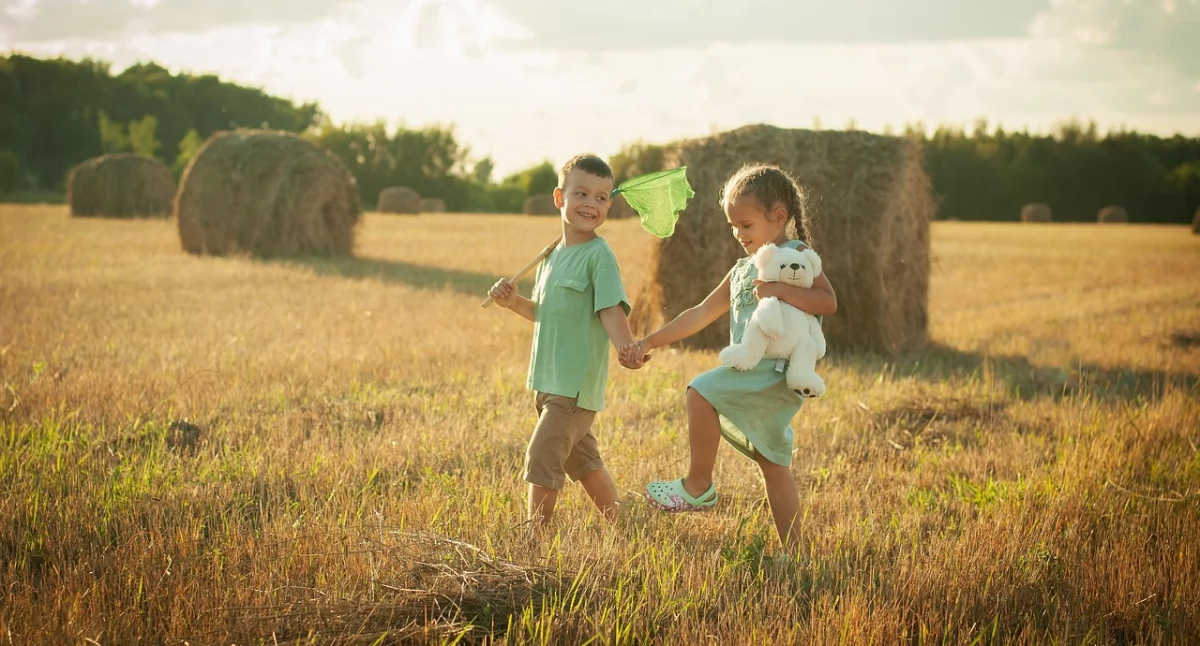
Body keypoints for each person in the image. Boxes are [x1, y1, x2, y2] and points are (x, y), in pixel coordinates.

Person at [619, 162, 838, 554]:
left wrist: (779, 290)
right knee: (773, 465)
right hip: (757, 371)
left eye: (746, 225)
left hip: (775, 371)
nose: (739, 234)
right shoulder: (741, 270)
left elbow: (827, 301)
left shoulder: (795, 255)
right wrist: (650, 341)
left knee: (700, 392)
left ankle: (698, 485)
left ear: (779, 217)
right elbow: (701, 313)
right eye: (733, 226)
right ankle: (795, 554)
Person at [487, 153, 640, 528]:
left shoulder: (599, 256)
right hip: (547, 380)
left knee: (543, 454)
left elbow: (610, 310)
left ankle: (534, 539)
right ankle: (622, 524)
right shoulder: (551, 255)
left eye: (601, 197)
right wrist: (512, 302)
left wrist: (627, 347)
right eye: (581, 194)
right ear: (559, 197)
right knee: (582, 460)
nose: (591, 204)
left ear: (608, 206)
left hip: (573, 386)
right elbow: (545, 312)